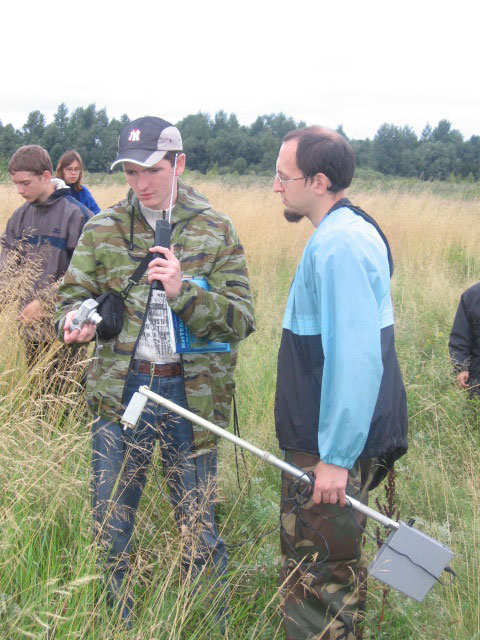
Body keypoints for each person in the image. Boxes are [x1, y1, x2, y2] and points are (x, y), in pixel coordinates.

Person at [55, 116, 255, 626]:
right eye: (130, 172)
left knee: (198, 524)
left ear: (179, 163)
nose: (141, 183)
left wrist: (183, 292)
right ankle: (115, 623)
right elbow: (73, 297)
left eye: (153, 170)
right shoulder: (103, 227)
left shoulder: (216, 227)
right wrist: (74, 321)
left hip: (191, 395)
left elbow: (241, 320)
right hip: (118, 393)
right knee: (110, 521)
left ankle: (210, 623)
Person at [272, 127, 408, 640]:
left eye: (284, 177)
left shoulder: (339, 245)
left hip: (328, 449)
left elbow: (355, 357)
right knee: (330, 570)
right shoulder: (345, 231)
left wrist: (335, 457)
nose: (277, 187)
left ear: (320, 180)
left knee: (320, 583)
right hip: (330, 442)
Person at [0, 144, 91, 373]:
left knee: (66, 402)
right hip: (28, 329)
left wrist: (46, 304)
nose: (19, 190)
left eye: (25, 183)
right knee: (36, 396)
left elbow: (86, 276)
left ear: (46, 176)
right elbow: (6, 266)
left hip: (67, 330)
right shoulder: (20, 216)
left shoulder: (77, 215)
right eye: (16, 184)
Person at [449, 282, 480, 397]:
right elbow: (460, 336)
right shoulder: (471, 296)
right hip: (477, 377)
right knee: (475, 413)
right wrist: (461, 368)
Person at [55, 150, 101, 214]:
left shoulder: (83, 192)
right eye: (69, 169)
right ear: (61, 170)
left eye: (76, 169)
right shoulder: (53, 191)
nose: (73, 173)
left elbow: (97, 215)